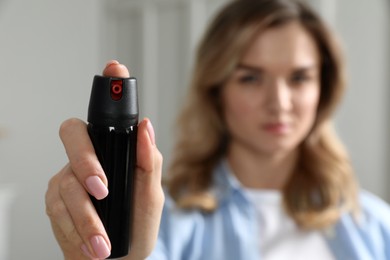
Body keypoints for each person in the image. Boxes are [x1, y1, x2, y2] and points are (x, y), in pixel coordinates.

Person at [45, 0, 390, 259]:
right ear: (216, 89)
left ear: (324, 89)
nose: (280, 102)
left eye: (299, 78)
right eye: (251, 77)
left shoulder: (375, 225)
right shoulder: (158, 224)